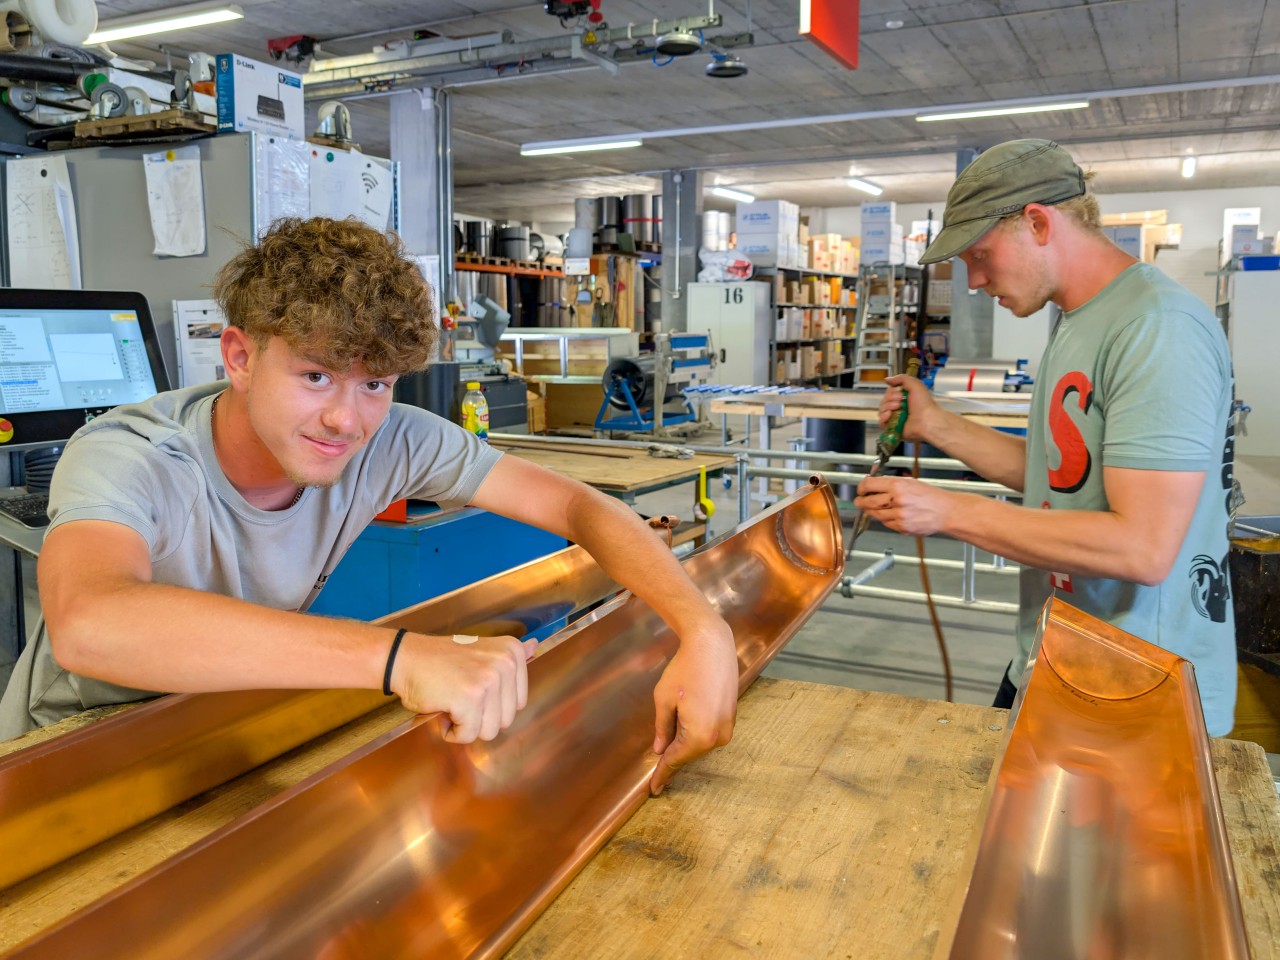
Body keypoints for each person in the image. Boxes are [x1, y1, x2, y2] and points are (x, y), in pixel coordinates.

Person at [0, 217, 739, 793]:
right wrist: (401, 658)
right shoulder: (133, 453)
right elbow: (90, 624)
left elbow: (580, 509)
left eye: (375, 383)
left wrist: (702, 630)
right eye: (316, 376)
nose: (345, 421)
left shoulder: (392, 442)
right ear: (240, 357)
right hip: (68, 756)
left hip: (219, 734)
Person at [855, 139, 1236, 735]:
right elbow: (1059, 475)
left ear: (1037, 222)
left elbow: (1142, 548)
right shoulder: (1079, 318)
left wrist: (950, 511)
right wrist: (935, 424)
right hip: (1056, 653)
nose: (975, 280)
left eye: (980, 255)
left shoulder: (1157, 327)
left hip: (1139, 687)